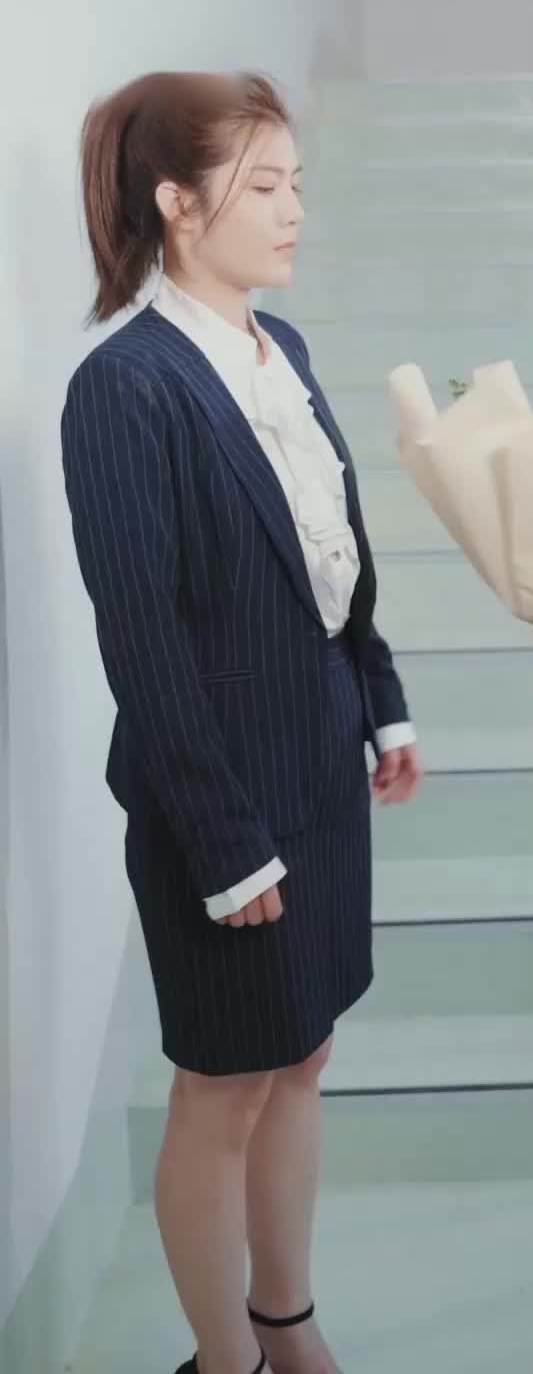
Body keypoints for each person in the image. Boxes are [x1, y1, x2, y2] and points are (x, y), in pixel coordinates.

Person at [61, 71, 422, 1374]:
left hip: (319, 763)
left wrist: (379, 701)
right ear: (177, 202)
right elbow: (142, 642)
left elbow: (331, 555)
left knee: (302, 1057)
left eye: (296, 183)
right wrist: (222, 842)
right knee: (222, 1088)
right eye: (263, 185)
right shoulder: (125, 386)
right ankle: (224, 1361)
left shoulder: (285, 351)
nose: (292, 210)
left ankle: (286, 1321)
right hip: (218, 800)